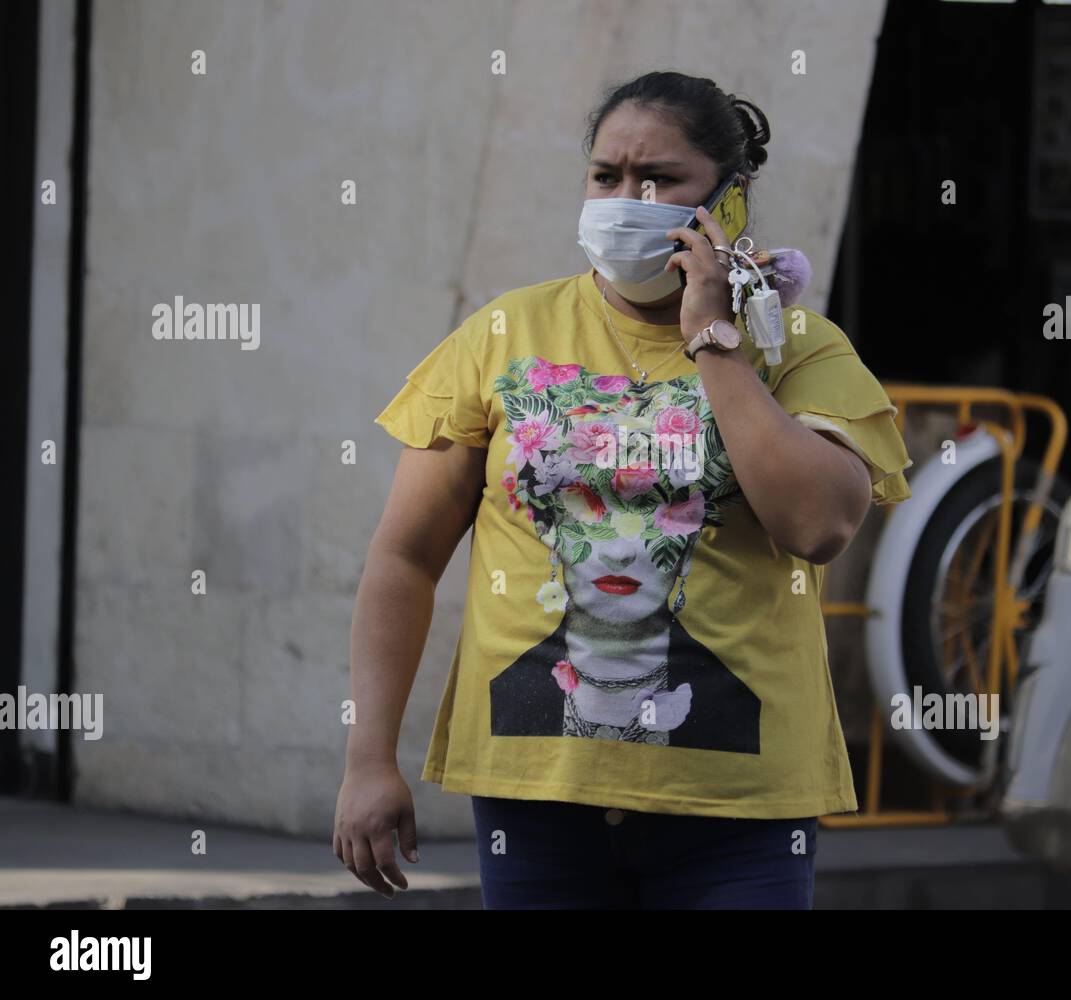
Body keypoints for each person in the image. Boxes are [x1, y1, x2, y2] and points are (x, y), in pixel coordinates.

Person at [333, 70, 913, 910]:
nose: (626, 198)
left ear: (730, 202)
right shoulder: (503, 334)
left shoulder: (798, 349)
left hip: (739, 811)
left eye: (659, 179)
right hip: (537, 799)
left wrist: (717, 344)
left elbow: (819, 525)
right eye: (607, 176)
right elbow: (404, 558)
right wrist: (368, 759)